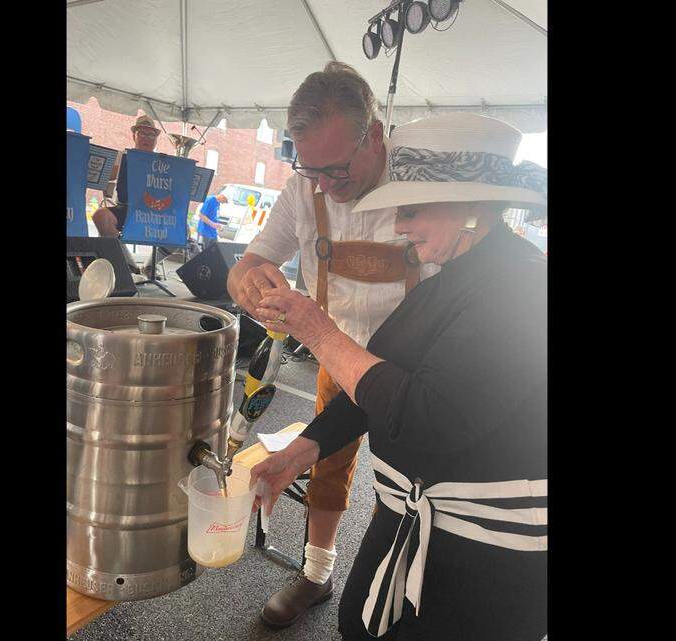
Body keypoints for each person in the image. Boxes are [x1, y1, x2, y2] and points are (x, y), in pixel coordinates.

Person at [248, 113, 548, 640]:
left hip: (486, 548)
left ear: (472, 204)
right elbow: (372, 391)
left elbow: (430, 415)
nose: (398, 225)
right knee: (356, 624)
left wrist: (319, 333)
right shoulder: (448, 279)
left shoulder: (522, 285)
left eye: (409, 209)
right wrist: (296, 456)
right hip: (409, 515)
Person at [226, 61, 437, 629]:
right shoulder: (305, 185)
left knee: (409, 486)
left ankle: (412, 589)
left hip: (413, 371)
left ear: (375, 135)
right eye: (309, 168)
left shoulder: (424, 187)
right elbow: (249, 262)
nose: (321, 185)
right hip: (335, 359)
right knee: (325, 467)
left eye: (336, 170)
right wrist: (248, 284)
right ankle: (317, 573)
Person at [93, 114, 163, 274]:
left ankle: (150, 265)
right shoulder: (122, 156)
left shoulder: (163, 162)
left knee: (182, 229)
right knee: (100, 216)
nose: (146, 137)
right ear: (134, 136)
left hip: (155, 213)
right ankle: (129, 264)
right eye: (142, 133)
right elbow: (106, 177)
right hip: (126, 210)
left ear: (156, 139)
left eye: (151, 134)